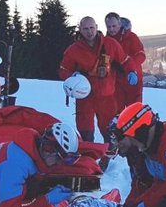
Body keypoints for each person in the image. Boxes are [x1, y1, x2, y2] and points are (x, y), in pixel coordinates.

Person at [59, 16, 138, 145]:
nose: (89, 32)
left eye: (91, 28)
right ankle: (89, 157)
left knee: (110, 131)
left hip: (107, 97)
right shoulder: (73, 50)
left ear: (96, 27)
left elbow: (125, 60)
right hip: (85, 98)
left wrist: (131, 71)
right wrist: (72, 76)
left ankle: (111, 158)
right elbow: (63, 69)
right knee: (86, 132)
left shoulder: (110, 44)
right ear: (80, 30)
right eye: (85, 29)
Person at [104, 12, 146, 112]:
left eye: (114, 26)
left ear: (120, 24)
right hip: (116, 81)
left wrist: (131, 68)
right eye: (109, 26)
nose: (111, 29)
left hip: (133, 80)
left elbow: (141, 55)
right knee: (117, 111)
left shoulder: (131, 37)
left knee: (135, 111)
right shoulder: (106, 41)